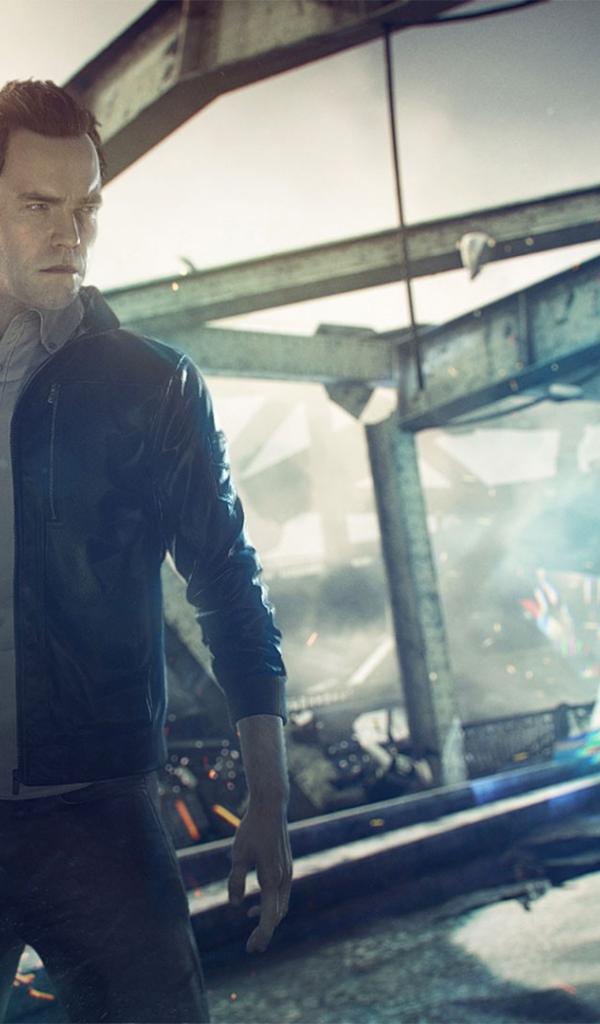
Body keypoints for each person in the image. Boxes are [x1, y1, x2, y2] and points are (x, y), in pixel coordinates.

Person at [0, 79, 292, 1023]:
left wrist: (269, 794)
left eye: (85, 208)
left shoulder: (150, 384)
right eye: (37, 207)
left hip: (97, 815)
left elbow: (227, 579)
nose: (69, 234)